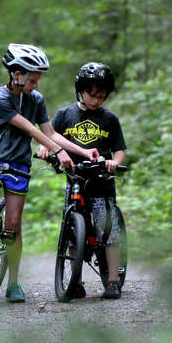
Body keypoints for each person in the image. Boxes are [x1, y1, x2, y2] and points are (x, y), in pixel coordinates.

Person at [0, 43, 98, 303]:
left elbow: (50, 133)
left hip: (18, 166)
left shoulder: (36, 99)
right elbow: (30, 130)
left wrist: (82, 150)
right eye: (33, 79)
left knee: (13, 226)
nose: (36, 84)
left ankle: (13, 283)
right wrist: (57, 152)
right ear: (16, 74)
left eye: (38, 80)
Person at [47, 61, 128, 299]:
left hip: (102, 181)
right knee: (73, 232)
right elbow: (48, 136)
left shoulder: (110, 119)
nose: (95, 100)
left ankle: (112, 281)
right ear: (80, 89)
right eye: (91, 94)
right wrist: (45, 148)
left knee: (108, 231)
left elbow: (120, 148)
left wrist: (114, 161)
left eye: (101, 96)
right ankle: (76, 282)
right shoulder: (65, 115)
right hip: (75, 180)